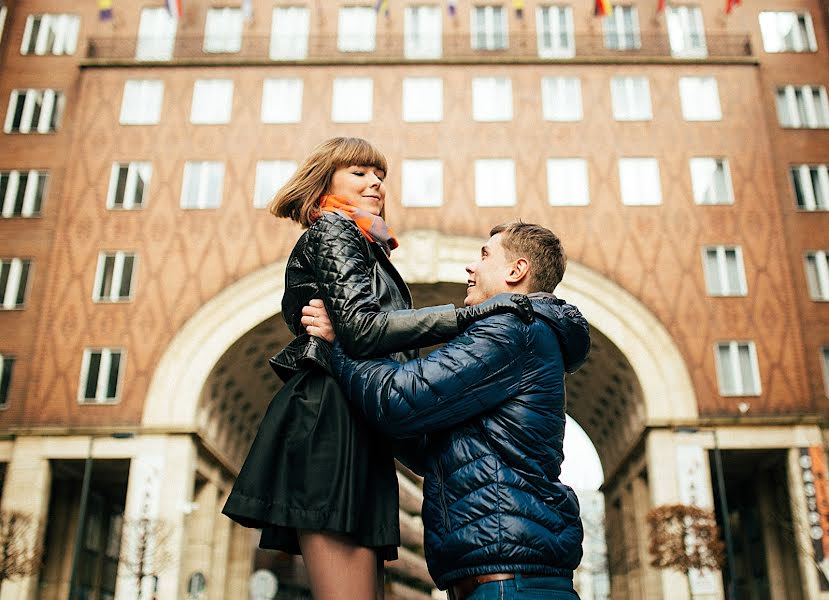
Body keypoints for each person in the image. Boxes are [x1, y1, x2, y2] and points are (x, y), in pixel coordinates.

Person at [221, 137, 533, 600]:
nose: (376, 184)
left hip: (356, 422)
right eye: (360, 173)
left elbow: (365, 337)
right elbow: (362, 329)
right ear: (326, 179)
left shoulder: (367, 244)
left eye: (380, 176)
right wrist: (468, 315)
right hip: (331, 423)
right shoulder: (333, 229)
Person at [304, 222, 591, 600]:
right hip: (497, 578)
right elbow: (427, 448)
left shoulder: (512, 329)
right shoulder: (518, 334)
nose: (471, 267)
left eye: (485, 255)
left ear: (516, 271)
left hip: (510, 583)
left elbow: (399, 400)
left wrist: (339, 343)